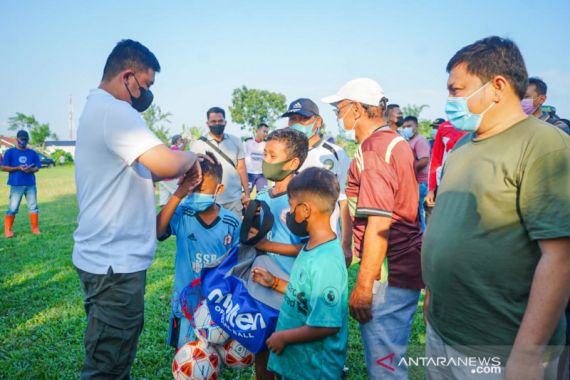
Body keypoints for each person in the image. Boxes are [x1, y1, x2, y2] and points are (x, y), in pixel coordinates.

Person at [422, 36, 570, 380]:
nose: (449, 100)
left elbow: (560, 259)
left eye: (457, 90)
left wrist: (528, 354)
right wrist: (433, 294)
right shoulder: (461, 146)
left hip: (501, 349)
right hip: (444, 333)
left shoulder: (546, 146)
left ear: (498, 86)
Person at [73, 39, 201, 379]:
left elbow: (142, 170)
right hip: (114, 265)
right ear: (128, 76)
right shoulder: (114, 111)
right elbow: (165, 162)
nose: (146, 94)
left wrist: (179, 183)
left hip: (108, 260)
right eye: (145, 85)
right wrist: (193, 158)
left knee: (114, 357)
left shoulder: (99, 110)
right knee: (108, 368)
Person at [322, 77, 423, 380]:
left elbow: (380, 221)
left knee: (385, 369)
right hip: (401, 265)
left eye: (339, 110)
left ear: (356, 109)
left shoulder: (374, 150)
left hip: (387, 274)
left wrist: (365, 286)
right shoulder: (393, 142)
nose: (339, 118)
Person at [251, 167, 348, 380]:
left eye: (291, 205)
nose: (290, 211)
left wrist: (283, 337)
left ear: (304, 210)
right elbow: (305, 294)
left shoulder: (326, 261)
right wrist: (275, 282)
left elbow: (326, 325)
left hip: (316, 369)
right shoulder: (312, 245)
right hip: (299, 365)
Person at [156, 152, 240, 349]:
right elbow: (157, 230)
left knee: (213, 358)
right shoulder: (183, 213)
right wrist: (180, 193)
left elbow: (238, 265)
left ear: (219, 189)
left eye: (200, 188)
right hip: (185, 304)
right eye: (191, 188)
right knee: (186, 358)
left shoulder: (232, 222)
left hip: (217, 303)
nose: (194, 193)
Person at [254, 127, 308, 380]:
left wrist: (265, 245)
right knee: (262, 352)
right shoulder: (263, 193)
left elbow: (309, 247)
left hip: (289, 291)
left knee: (289, 357)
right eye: (265, 154)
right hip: (262, 289)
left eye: (272, 156)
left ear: (293, 162)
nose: (266, 161)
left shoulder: (303, 200)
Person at [281, 98, 352, 266]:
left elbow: (343, 201)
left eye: (303, 119)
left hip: (326, 241)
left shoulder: (335, 153)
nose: (297, 123)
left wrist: (347, 244)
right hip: (290, 240)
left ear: (317, 121)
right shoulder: (283, 153)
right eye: (293, 119)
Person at [191, 107, 250, 217]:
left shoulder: (236, 141)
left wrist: (247, 193)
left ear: (225, 122)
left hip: (233, 200)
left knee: (235, 232)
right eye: (213, 121)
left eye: (220, 121)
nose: (217, 124)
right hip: (209, 200)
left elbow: (241, 168)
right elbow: (194, 171)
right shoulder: (198, 145)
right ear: (207, 123)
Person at [424, 120, 468, 221]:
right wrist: (431, 190)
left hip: (467, 185)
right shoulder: (444, 127)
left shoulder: (479, 126)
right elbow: (436, 160)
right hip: (444, 184)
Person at [2, 130, 41, 238]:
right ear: (17, 139)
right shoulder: (10, 152)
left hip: (30, 185)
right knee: (13, 208)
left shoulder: (32, 153)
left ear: (27, 140)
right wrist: (18, 168)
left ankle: (35, 228)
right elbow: (3, 167)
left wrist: (31, 170)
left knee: (33, 207)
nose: (23, 141)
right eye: (21, 139)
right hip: (16, 184)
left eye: (25, 139)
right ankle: (8, 230)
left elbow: (37, 167)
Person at [401, 115, 430, 231]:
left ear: (416, 126)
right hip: (414, 183)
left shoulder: (420, 140)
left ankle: (422, 238)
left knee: (419, 213)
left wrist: (408, 170)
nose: (406, 129)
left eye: (409, 126)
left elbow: (424, 160)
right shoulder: (409, 141)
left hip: (420, 182)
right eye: (404, 127)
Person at [158, 134, 188, 207]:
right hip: (170, 178)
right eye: (180, 140)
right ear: (175, 142)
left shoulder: (171, 149)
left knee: (164, 200)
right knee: (181, 195)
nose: (182, 141)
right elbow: (180, 150)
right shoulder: (173, 149)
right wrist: (185, 143)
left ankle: (164, 215)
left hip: (163, 178)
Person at [244, 123, 269, 194]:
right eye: (264, 131)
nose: (266, 134)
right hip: (249, 174)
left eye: (267, 132)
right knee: (245, 195)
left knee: (263, 196)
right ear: (257, 131)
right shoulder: (247, 142)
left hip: (261, 175)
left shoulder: (266, 144)